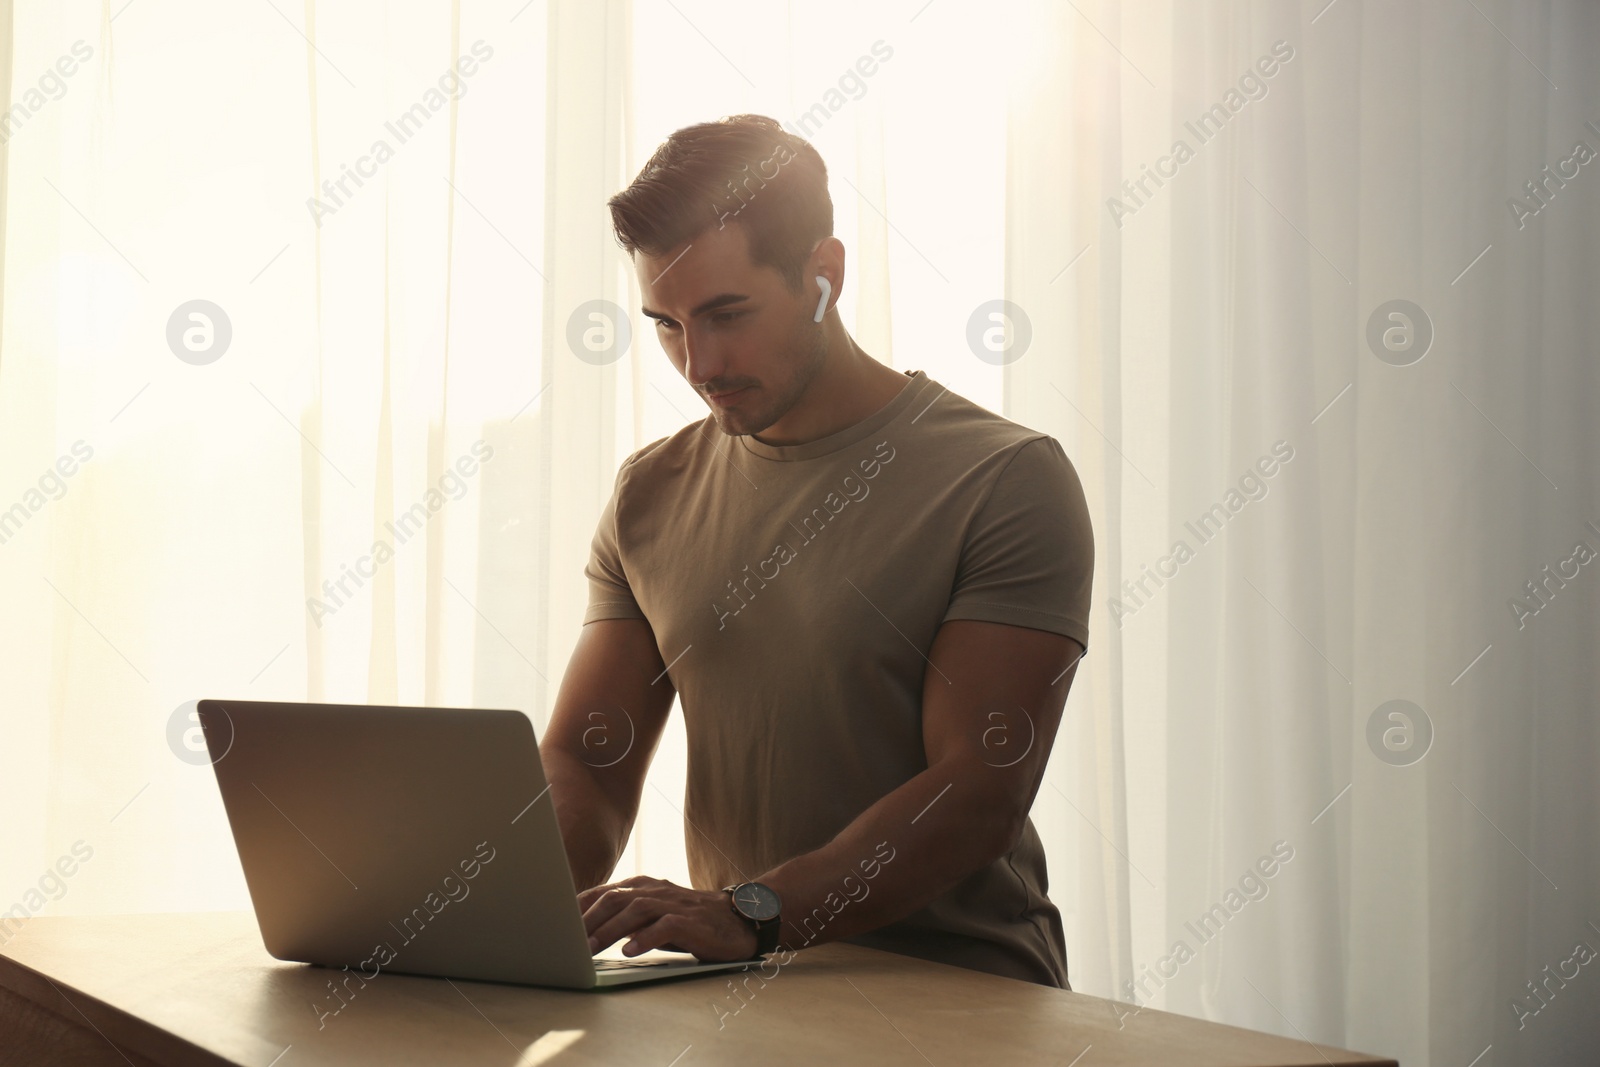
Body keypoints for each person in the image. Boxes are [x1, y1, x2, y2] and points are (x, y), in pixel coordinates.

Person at [540, 113, 1094, 988]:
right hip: (744, 990)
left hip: (963, 998)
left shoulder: (1004, 479)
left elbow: (977, 791)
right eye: (667, 324)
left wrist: (753, 909)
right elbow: (586, 761)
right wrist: (485, 907)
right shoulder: (650, 493)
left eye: (727, 313)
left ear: (823, 275)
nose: (699, 360)